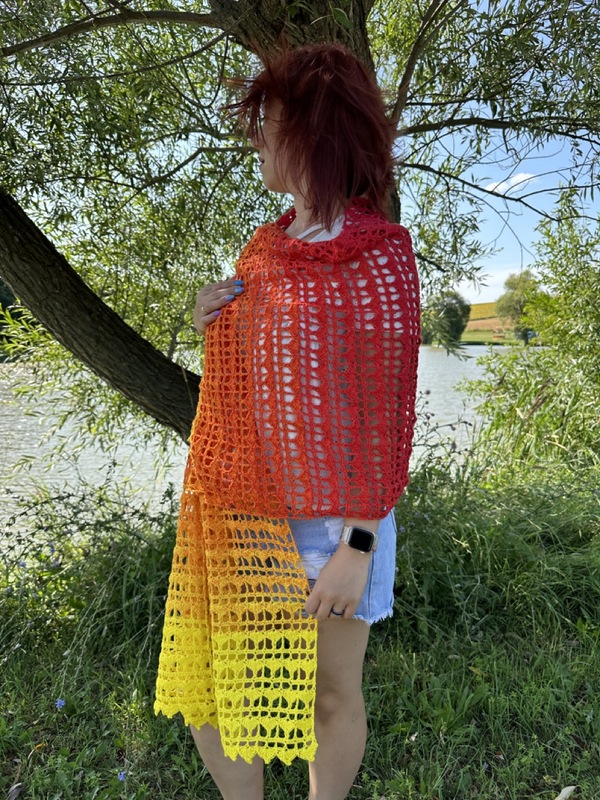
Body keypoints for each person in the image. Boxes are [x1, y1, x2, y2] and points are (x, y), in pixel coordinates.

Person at [154, 44, 420, 800]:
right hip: (245, 512)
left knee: (330, 696)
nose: (256, 138)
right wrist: (211, 319)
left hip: (340, 522)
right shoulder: (264, 251)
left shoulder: (380, 258)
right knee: (217, 693)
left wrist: (358, 546)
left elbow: (385, 417)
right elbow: (253, 385)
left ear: (315, 133)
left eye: (267, 123)